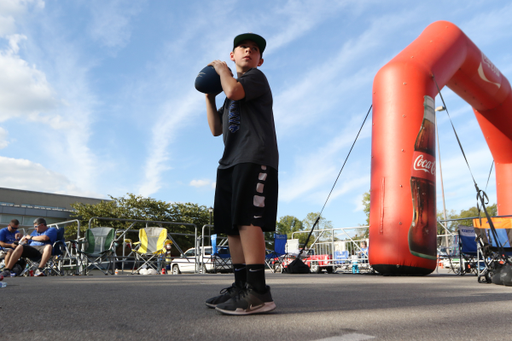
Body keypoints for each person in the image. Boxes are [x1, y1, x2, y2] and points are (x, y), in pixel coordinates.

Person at [204, 33, 279, 315]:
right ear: (234, 54)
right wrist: (210, 97)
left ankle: (259, 291)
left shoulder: (255, 79)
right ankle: (240, 286)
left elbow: (234, 91)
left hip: (254, 157)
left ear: (260, 59)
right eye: (243, 47)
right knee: (232, 226)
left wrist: (222, 70)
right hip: (230, 162)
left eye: (255, 49)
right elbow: (215, 129)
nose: (249, 50)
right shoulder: (230, 93)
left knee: (248, 221)